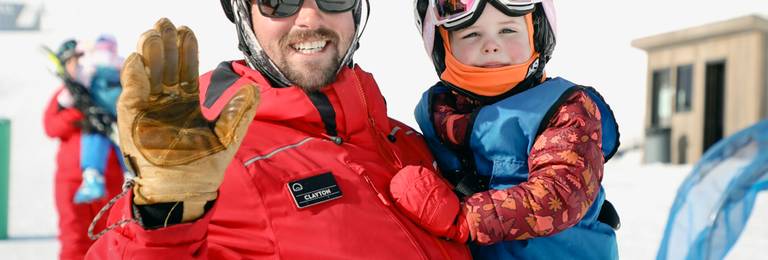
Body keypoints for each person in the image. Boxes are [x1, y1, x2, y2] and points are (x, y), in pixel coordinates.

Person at [85, 0, 470, 259]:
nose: (309, 19)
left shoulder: (406, 141)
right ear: (243, 14)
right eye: (279, 0)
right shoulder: (209, 161)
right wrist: (165, 217)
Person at [390, 0, 621, 259]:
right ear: (443, 47)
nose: (491, 45)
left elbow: (561, 194)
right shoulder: (438, 117)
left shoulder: (564, 110)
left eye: (508, 31)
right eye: (471, 34)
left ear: (537, 33)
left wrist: (465, 218)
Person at [43, 39, 124, 260]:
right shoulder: (66, 96)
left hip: (109, 179)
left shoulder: (109, 90)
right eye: (71, 62)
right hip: (70, 180)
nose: (75, 66)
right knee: (73, 238)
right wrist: (82, 112)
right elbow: (51, 127)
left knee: (109, 238)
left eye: (79, 61)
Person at [73, 34, 127, 204]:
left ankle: (93, 176)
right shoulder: (122, 65)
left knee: (94, 139)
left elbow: (79, 80)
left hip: (104, 118)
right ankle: (130, 176)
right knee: (125, 145)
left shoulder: (92, 67)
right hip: (120, 118)